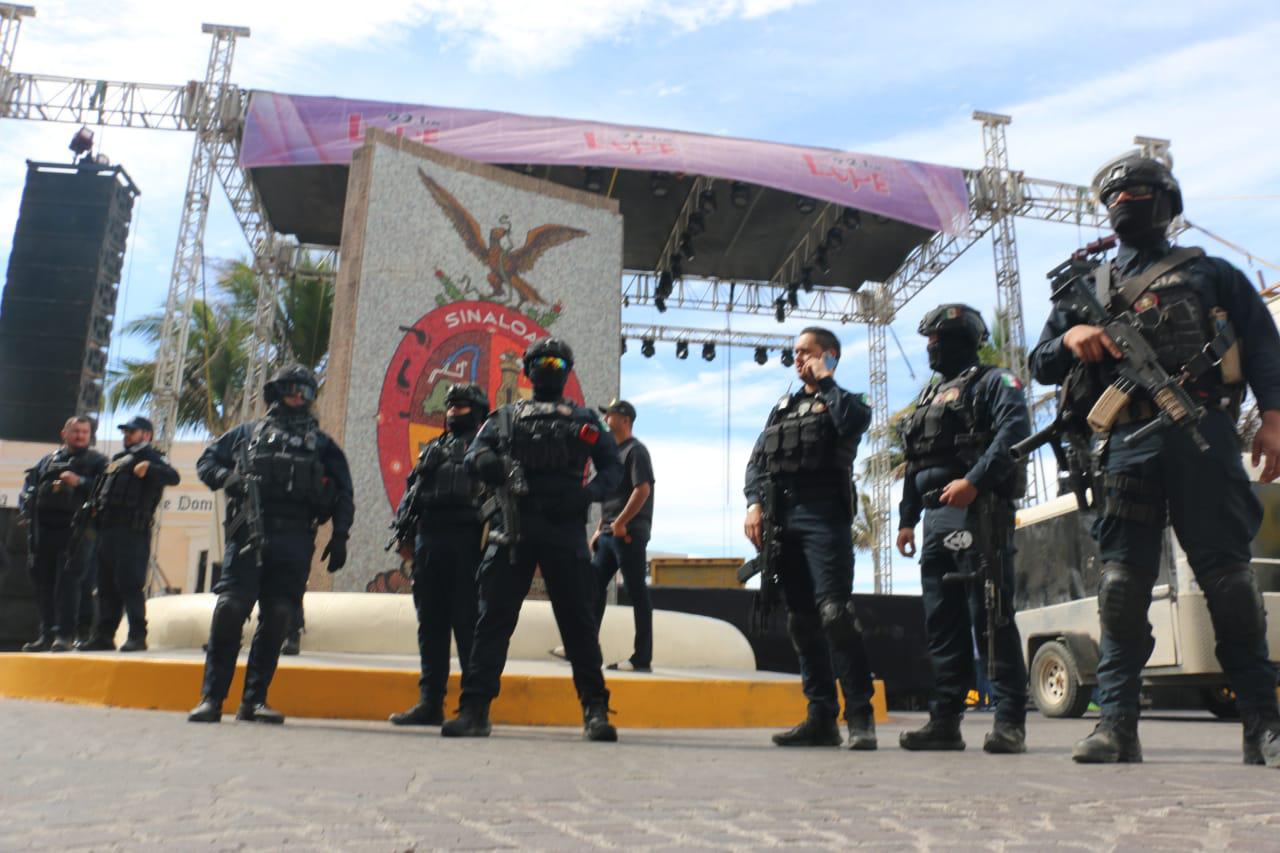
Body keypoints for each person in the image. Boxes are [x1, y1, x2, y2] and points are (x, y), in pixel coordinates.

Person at [1030, 154, 1280, 767]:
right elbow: (1040, 362)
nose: (1126, 200)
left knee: (1227, 580)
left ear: (1167, 203)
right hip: (1125, 443)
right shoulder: (1086, 287)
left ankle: (1263, 724)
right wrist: (1070, 339)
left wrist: (1274, 420)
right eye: (1115, 193)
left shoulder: (1213, 273)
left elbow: (1265, 346)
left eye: (1140, 191)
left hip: (1204, 435)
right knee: (1120, 588)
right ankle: (1116, 725)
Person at [443, 337, 623, 741]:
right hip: (513, 528)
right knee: (492, 622)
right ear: (527, 369)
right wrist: (485, 462)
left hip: (564, 529)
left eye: (558, 361)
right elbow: (473, 455)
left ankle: (595, 710)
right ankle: (475, 710)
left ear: (567, 370)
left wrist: (587, 494)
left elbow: (613, 470)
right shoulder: (505, 418)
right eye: (542, 361)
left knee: (578, 623)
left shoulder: (584, 421)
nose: (549, 366)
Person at [895, 304, 1031, 754]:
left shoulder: (994, 382)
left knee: (990, 616)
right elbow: (917, 461)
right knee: (942, 624)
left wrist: (973, 482)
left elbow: (1013, 432)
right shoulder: (929, 398)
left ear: (961, 339)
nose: (931, 348)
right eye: (928, 341)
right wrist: (906, 520)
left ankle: (1010, 720)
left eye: (937, 339)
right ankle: (945, 721)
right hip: (934, 521)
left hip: (979, 512)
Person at [187, 365, 354, 725]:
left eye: (308, 392)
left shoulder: (322, 444)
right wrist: (228, 478)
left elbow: (344, 491)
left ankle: (254, 700)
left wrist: (340, 535)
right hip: (248, 533)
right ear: (278, 392)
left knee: (279, 616)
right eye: (294, 389)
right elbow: (206, 462)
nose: (300, 397)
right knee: (230, 610)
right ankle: (211, 698)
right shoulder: (246, 434)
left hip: (295, 538)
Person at [743, 327, 878, 749]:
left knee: (835, 614)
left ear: (830, 356)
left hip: (825, 518)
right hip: (784, 523)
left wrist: (827, 380)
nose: (798, 358)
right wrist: (753, 504)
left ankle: (860, 716)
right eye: (796, 352)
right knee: (801, 621)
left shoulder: (847, 401)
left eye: (808, 352)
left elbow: (853, 424)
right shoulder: (781, 409)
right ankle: (821, 717)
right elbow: (757, 461)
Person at [388, 383, 489, 726]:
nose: (453, 411)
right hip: (428, 543)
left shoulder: (488, 448)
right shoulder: (431, 449)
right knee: (430, 626)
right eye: (450, 405)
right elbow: (411, 494)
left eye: (461, 406)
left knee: (467, 626)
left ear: (476, 411)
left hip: (468, 543)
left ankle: (472, 709)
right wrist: (404, 534)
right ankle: (430, 702)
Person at [79, 416, 180, 652]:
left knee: (130, 584)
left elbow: (173, 476)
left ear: (146, 435)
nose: (126, 436)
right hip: (107, 531)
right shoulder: (116, 460)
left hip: (133, 531)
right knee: (105, 586)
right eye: (125, 432)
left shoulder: (153, 457)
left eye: (131, 432)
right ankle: (104, 635)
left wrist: (151, 468)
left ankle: (137, 635)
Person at [18, 416, 107, 652]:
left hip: (77, 531)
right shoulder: (48, 461)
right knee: (44, 583)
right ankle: (46, 634)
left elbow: (105, 490)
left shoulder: (97, 461)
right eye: (75, 431)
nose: (80, 436)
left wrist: (80, 481)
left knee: (70, 584)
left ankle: (66, 635)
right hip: (44, 531)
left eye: (84, 432)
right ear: (64, 434)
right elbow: (28, 488)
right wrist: (26, 510)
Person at [591, 399, 655, 672]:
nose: (606, 420)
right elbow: (610, 496)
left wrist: (620, 523)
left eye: (611, 415)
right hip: (608, 532)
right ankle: (585, 649)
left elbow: (642, 490)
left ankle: (642, 658)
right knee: (592, 588)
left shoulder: (636, 451)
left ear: (625, 419)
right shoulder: (612, 454)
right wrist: (599, 529)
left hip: (627, 532)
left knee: (636, 592)